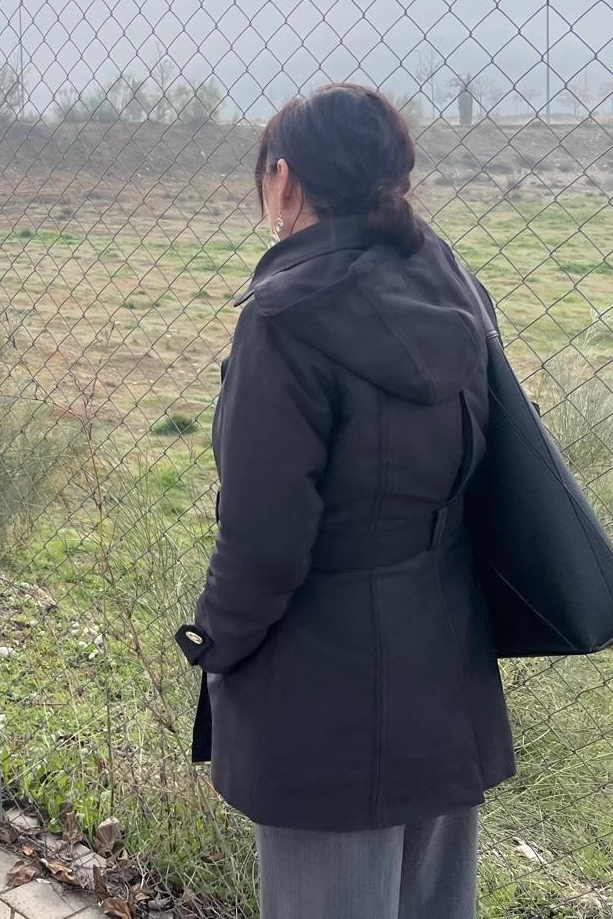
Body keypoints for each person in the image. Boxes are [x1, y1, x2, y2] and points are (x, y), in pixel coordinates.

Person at [175, 83, 515, 918]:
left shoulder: (285, 319)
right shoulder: (449, 285)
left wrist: (214, 641)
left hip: (321, 696)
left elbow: (263, 537)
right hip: (443, 662)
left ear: (284, 182)